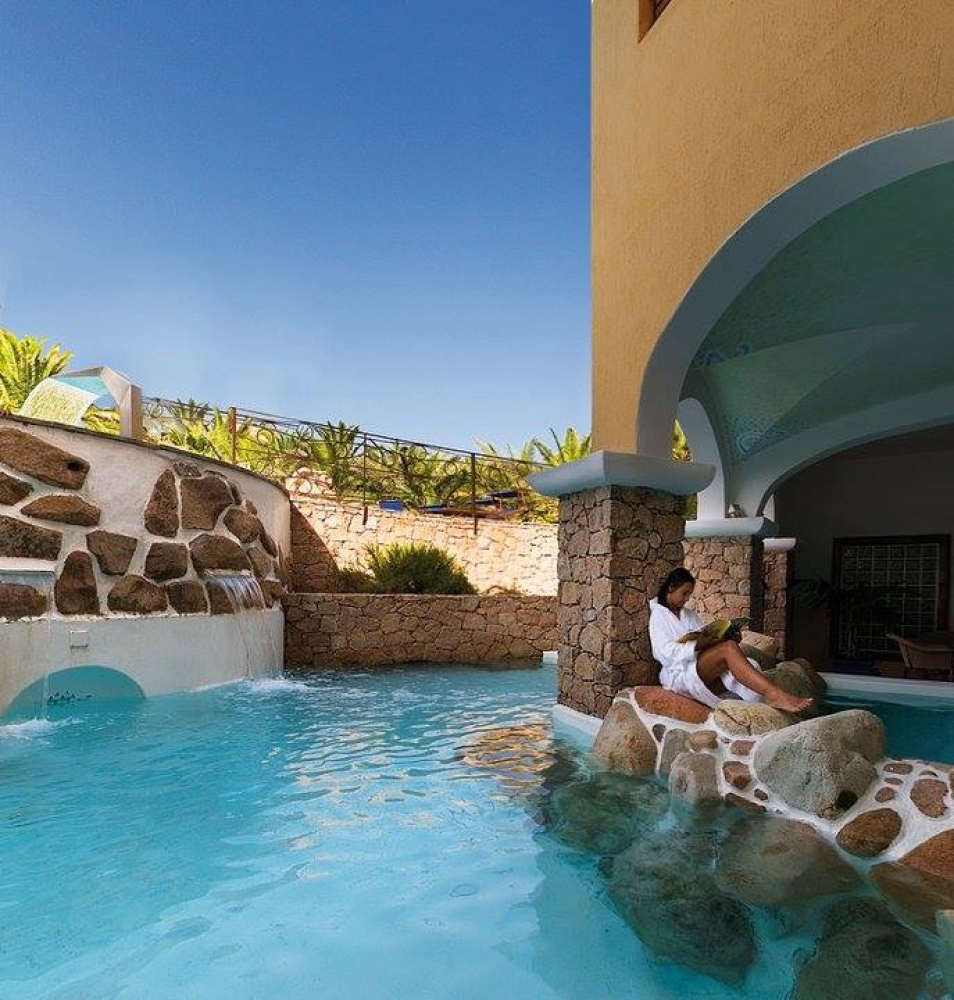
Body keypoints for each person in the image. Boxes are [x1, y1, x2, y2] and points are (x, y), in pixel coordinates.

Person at [649, 567, 813, 713]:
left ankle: (769, 698)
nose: (686, 599)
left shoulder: (689, 615)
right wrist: (695, 645)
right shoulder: (659, 615)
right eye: (684, 593)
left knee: (735, 649)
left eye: (689, 595)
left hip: (702, 669)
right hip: (679, 674)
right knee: (728, 649)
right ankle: (774, 694)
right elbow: (661, 652)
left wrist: (723, 636)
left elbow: (704, 636)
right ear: (671, 588)